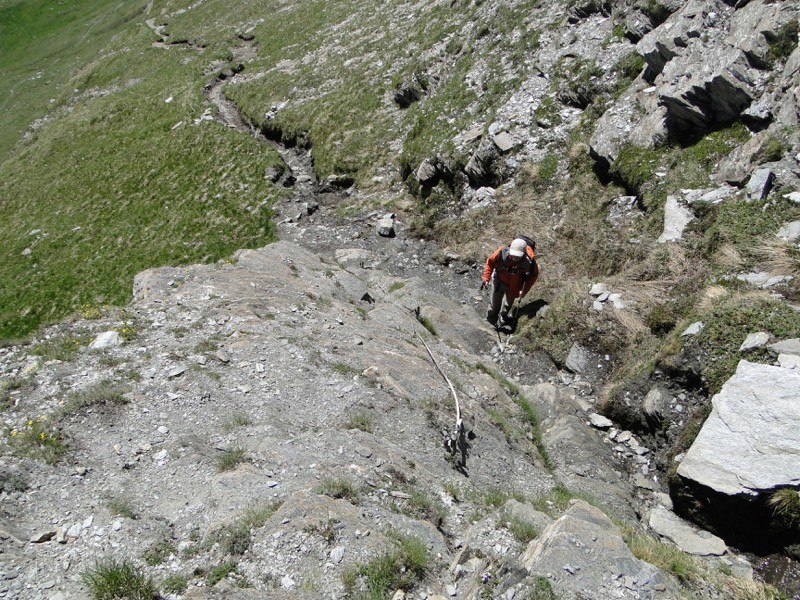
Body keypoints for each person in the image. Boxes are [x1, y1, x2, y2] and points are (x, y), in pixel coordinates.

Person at [481, 238, 538, 327]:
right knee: (494, 303)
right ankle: (490, 322)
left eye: (517, 256)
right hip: (499, 280)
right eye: (513, 255)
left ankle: (501, 320)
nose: (514, 258)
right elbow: (490, 262)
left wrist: (524, 291)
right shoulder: (501, 252)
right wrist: (486, 278)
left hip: (514, 286)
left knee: (507, 305)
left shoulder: (529, 262)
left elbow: (533, 276)